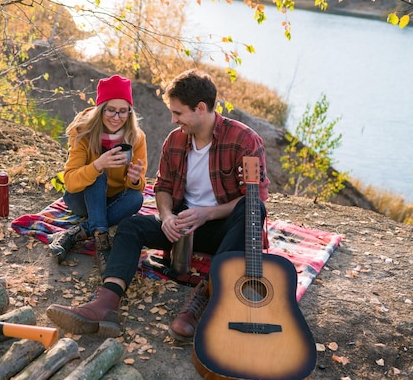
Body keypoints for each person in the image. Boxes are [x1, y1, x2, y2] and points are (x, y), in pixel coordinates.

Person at [46, 69, 270, 341]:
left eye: (178, 113)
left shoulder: (244, 140)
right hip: (179, 228)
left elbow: (255, 196)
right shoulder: (175, 140)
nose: (173, 120)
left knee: (254, 211)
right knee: (130, 226)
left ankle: (202, 301)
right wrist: (165, 216)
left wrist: (206, 213)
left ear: (200, 108)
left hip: (221, 230)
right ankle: (105, 304)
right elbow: (162, 187)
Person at [49, 75, 147, 270]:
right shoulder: (82, 131)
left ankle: (73, 234)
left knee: (136, 199)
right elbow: (70, 182)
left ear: (130, 112)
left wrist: (135, 179)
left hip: (113, 200)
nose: (116, 117)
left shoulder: (136, 137)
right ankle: (102, 243)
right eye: (111, 110)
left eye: (122, 111)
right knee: (97, 174)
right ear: (101, 109)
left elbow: (139, 186)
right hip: (82, 199)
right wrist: (97, 166)